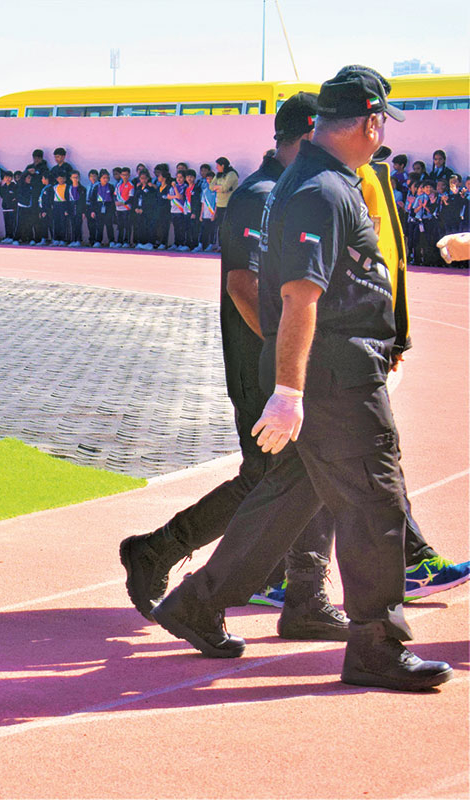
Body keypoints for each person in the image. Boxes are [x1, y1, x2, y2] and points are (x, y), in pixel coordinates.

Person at [150, 67, 456, 691]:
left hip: (323, 370)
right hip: (334, 375)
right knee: (375, 501)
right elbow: (299, 296)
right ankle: (376, 643)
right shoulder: (322, 190)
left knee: (289, 501)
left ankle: (197, 603)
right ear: (370, 122)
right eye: (381, 126)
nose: (381, 138)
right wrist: (290, 393)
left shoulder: (321, 180)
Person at [121, 93, 348, 640]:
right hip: (261, 366)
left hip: (283, 365)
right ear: (310, 133)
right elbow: (243, 286)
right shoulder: (260, 195)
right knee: (274, 479)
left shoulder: (292, 191)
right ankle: (160, 552)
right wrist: (283, 357)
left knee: (302, 475)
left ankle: (302, 593)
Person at [210, 155, 239, 234]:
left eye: (217, 166)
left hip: (228, 204)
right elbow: (211, 186)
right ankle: (220, 245)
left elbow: (225, 188)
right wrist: (220, 187)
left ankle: (227, 245)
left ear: (223, 165)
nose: (216, 168)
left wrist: (219, 188)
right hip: (219, 204)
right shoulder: (218, 174)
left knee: (227, 225)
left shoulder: (231, 174)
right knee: (220, 226)